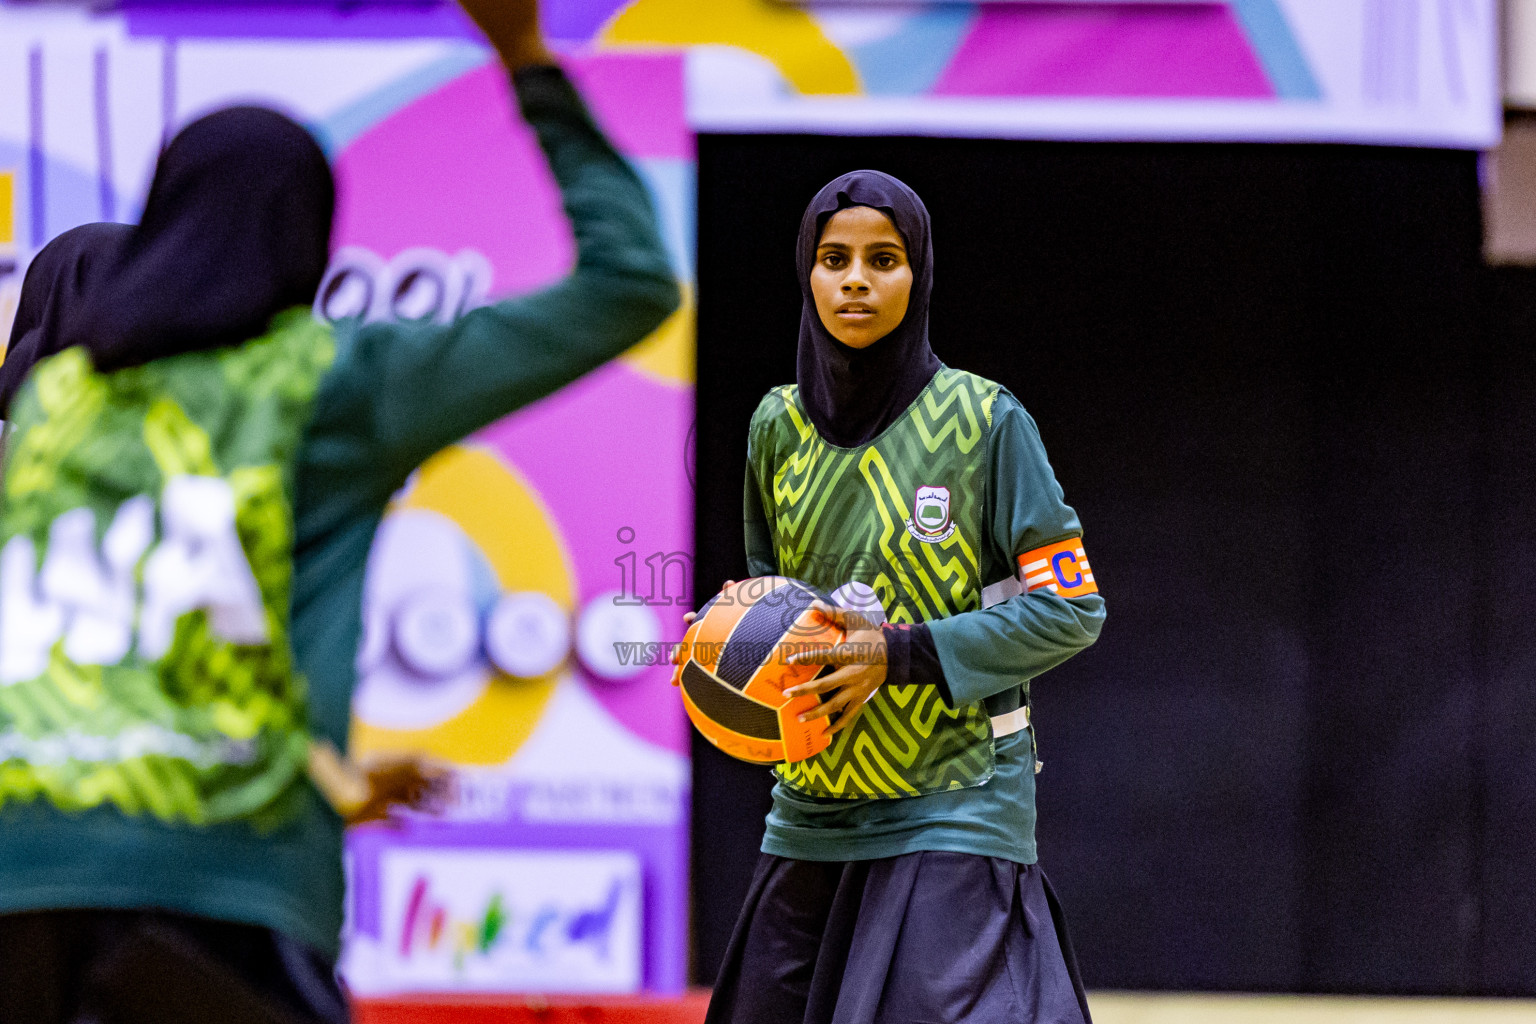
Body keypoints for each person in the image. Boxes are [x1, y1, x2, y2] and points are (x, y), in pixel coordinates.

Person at [0, 0, 678, 1018]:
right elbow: (629, 283)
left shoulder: (51, 408)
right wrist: (529, 59)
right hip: (215, 878)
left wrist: (323, 772)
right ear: (305, 245)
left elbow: (132, 663)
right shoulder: (326, 381)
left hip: (27, 873)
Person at [703, 171, 1103, 1024]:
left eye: (882, 259)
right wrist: (730, 650)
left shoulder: (987, 421)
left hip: (954, 799)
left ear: (918, 276)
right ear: (806, 276)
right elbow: (777, 603)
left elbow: (1072, 609)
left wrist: (896, 652)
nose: (855, 279)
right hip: (812, 802)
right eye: (833, 258)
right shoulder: (776, 426)